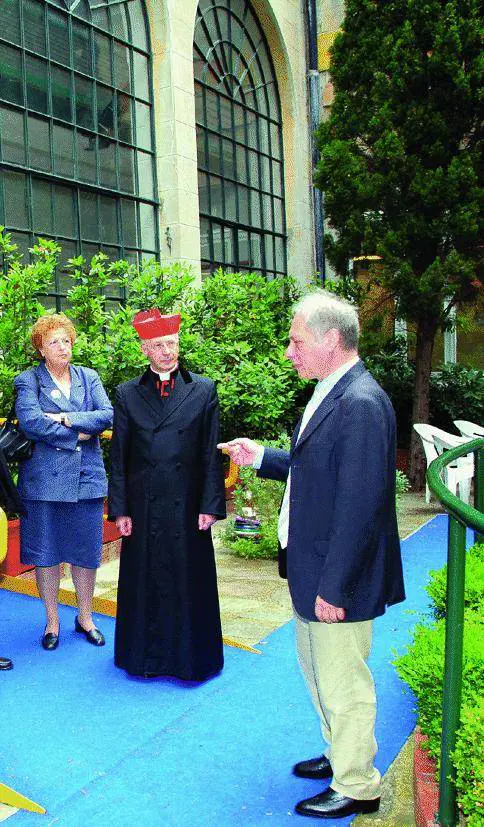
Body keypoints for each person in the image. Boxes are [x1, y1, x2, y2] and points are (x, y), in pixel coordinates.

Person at [219, 290, 405, 820]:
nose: (287, 351)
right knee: (319, 672)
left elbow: (361, 505)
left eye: (296, 341)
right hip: (313, 569)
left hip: (333, 578)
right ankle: (338, 753)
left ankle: (358, 784)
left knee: (344, 682)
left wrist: (336, 587)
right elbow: (319, 471)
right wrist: (263, 458)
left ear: (331, 339)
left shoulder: (362, 403)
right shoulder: (332, 389)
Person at [108, 309, 226, 681]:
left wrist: (210, 504)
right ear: (145, 349)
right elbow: (120, 455)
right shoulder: (127, 393)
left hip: (187, 506)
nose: (166, 352)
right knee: (146, 581)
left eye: (171, 343)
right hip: (144, 508)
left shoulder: (203, 390)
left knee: (188, 581)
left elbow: (210, 452)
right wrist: (120, 509)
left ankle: (191, 661)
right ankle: (145, 658)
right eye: (158, 345)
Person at [14, 314, 113, 650]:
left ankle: (85, 617)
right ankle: (52, 621)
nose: (62, 347)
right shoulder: (28, 380)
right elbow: (30, 422)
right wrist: (80, 434)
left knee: (86, 552)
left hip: (87, 477)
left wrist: (66, 417)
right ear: (41, 348)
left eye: (66, 340)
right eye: (53, 341)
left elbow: (107, 414)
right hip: (44, 481)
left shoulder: (89, 377)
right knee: (47, 552)